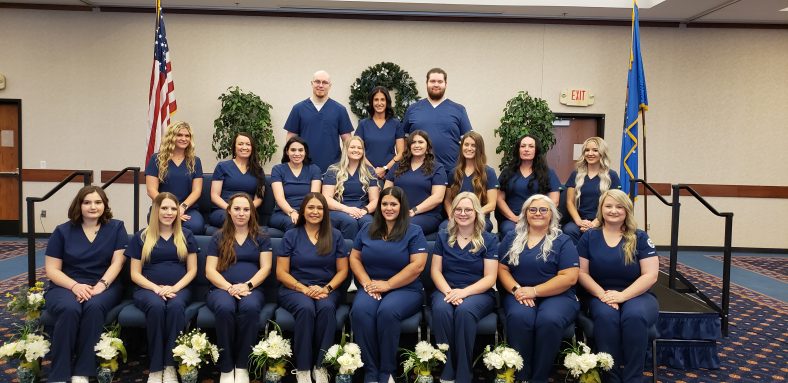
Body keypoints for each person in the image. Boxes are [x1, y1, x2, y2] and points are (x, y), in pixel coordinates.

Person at [44, 186, 128, 383]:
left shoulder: (116, 227)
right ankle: (59, 373)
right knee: (69, 308)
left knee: (94, 306)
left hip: (105, 285)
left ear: (105, 205)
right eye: (87, 202)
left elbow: (118, 262)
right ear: (79, 205)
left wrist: (102, 284)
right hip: (66, 285)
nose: (93, 207)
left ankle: (83, 370)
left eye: (98, 202)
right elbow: (52, 269)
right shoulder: (62, 231)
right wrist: (74, 286)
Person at [577, 189, 659, 383]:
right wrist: (603, 295)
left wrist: (622, 296)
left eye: (619, 206)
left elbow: (651, 275)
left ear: (627, 210)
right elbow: (581, 273)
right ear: (601, 209)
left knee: (634, 316)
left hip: (637, 294)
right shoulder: (589, 237)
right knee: (606, 316)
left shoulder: (639, 237)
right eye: (609, 206)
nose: (614, 210)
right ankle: (610, 376)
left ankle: (633, 377)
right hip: (600, 294)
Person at [350, 187, 428, 383]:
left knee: (387, 311)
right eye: (384, 203)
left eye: (393, 204)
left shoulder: (414, 230)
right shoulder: (367, 228)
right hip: (372, 285)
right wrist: (367, 283)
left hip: (406, 288)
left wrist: (389, 284)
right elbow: (355, 258)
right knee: (360, 311)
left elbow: (417, 266)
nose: (388, 208)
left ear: (402, 206)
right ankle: (371, 371)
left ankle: (387, 372)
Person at [498, 195, 579, 383]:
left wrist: (534, 291)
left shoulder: (563, 240)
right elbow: (502, 269)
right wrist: (517, 289)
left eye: (544, 210)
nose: (538, 213)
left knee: (549, 320)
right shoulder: (511, 237)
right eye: (532, 209)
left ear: (552, 214)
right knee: (520, 317)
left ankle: (540, 377)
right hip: (518, 293)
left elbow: (569, 277)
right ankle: (522, 376)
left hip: (557, 296)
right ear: (525, 214)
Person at [126, 192, 198, 383]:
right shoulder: (141, 236)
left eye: (173, 208)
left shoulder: (186, 235)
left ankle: (170, 365)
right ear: (156, 210)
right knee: (156, 307)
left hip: (179, 289)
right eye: (164, 208)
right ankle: (156, 368)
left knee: (175, 308)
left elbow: (192, 271)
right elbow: (135, 273)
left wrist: (174, 287)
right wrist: (156, 289)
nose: (169, 212)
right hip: (147, 290)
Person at [277, 193, 348, 383]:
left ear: (325, 212)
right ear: (303, 210)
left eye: (319, 208)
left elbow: (342, 271)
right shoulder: (291, 235)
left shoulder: (336, 235)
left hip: (327, 290)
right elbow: (281, 273)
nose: (315, 212)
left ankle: (321, 366)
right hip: (294, 288)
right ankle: (303, 368)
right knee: (306, 308)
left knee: (326, 308)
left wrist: (326, 288)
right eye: (310, 207)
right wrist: (303, 289)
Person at [430, 192, 498, 383]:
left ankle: (463, 373)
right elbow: (436, 271)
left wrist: (464, 293)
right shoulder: (443, 236)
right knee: (442, 309)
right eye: (458, 209)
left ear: (476, 212)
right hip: (446, 289)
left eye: (468, 209)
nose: (462, 213)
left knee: (464, 311)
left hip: (479, 292)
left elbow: (490, 277)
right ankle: (448, 367)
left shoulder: (489, 239)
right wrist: (450, 292)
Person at [205, 193, 273, 383]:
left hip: (252, 289)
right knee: (225, 308)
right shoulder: (217, 237)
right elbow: (210, 271)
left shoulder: (262, 237)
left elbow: (266, 268)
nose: (241, 213)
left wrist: (247, 285)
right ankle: (226, 367)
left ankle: (242, 365)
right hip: (220, 289)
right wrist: (229, 288)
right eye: (237, 209)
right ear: (229, 210)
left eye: (246, 209)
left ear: (252, 212)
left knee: (250, 308)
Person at [401, 68, 472, 177]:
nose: (436, 84)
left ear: (445, 84)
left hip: (450, 171)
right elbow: (403, 139)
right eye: (432, 81)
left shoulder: (459, 109)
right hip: (418, 172)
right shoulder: (413, 109)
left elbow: (469, 141)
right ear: (427, 83)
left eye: (440, 82)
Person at [284, 70, 354, 172]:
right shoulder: (298, 109)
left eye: (325, 82)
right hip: (303, 167)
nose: (320, 85)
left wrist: (345, 165)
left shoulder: (340, 110)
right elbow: (290, 138)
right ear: (311, 83)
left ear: (330, 85)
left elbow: (347, 141)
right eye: (317, 81)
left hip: (333, 168)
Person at [145, 121, 205, 234]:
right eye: (179, 135)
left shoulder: (195, 161)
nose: (184, 138)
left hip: (187, 208)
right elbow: (151, 190)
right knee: (163, 224)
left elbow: (197, 191)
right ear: (171, 137)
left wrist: (181, 208)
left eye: (187, 136)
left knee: (195, 226)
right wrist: (170, 208)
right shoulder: (156, 159)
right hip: (161, 207)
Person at [383, 131, 447, 237]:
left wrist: (414, 210)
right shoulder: (397, 166)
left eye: (420, 142)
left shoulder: (437, 168)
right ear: (409, 146)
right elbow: (386, 192)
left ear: (427, 147)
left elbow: (438, 197)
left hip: (426, 215)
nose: (417, 145)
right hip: (397, 212)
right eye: (413, 142)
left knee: (404, 226)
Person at [497, 135, 561, 235]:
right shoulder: (507, 172)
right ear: (518, 150)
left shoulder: (548, 173)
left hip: (540, 218)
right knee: (510, 232)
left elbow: (554, 201)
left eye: (531, 146)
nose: (526, 149)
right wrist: (514, 218)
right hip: (513, 220)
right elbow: (499, 199)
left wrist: (538, 218)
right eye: (523, 146)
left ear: (537, 150)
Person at [564, 137, 621, 244]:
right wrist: (579, 221)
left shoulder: (611, 176)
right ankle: (576, 260)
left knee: (594, 232)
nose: (590, 153)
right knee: (569, 230)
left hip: (603, 220)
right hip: (579, 220)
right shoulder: (575, 174)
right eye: (587, 150)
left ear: (602, 153)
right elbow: (569, 202)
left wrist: (595, 222)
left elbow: (615, 203)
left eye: (595, 150)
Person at [322, 136, 380, 239]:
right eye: (352, 147)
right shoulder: (333, 170)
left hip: (361, 211)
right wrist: (347, 209)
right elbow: (326, 198)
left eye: (359, 148)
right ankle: (348, 252)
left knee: (368, 222)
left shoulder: (369, 171)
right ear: (346, 149)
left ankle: (366, 253)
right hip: (338, 210)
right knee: (349, 222)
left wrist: (364, 211)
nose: (356, 150)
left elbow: (375, 199)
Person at [442, 131, 498, 232]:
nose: (469, 148)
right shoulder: (453, 172)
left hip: (480, 219)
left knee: (471, 229)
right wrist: (452, 216)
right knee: (444, 229)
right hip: (457, 217)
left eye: (473, 145)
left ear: (479, 149)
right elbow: (448, 201)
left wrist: (472, 214)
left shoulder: (488, 172)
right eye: (466, 144)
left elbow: (492, 204)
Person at [209, 132, 266, 228]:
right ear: (234, 147)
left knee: (244, 218)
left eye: (248, 144)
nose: (244, 147)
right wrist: (231, 209)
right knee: (232, 218)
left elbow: (259, 198)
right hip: (224, 210)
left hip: (248, 212)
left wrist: (245, 210)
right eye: (240, 144)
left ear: (252, 148)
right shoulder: (222, 167)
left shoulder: (259, 171)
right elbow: (214, 195)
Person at [270, 137, 323, 233]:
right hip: (283, 213)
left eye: (300, 150)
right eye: (293, 150)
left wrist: (304, 214)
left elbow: (314, 198)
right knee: (294, 222)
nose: (297, 153)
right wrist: (292, 212)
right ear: (287, 151)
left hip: (308, 212)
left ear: (305, 152)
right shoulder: (278, 169)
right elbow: (279, 198)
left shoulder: (314, 169)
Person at [354, 86, 405, 179]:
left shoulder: (396, 124)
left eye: (382, 100)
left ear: (387, 102)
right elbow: (357, 151)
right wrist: (372, 171)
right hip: (366, 173)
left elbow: (401, 152)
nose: (379, 103)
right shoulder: (363, 124)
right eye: (376, 100)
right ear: (371, 102)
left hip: (390, 173)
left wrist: (385, 168)